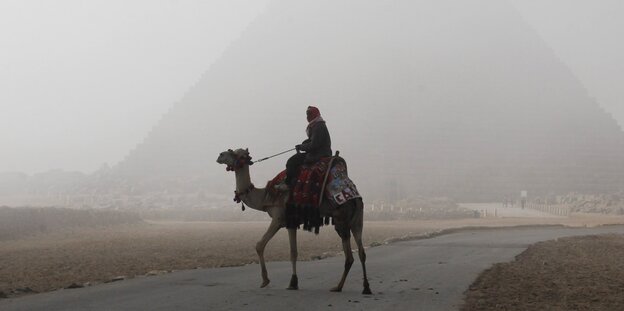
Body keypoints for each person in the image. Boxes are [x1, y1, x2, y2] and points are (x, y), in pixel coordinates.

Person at [276, 106, 332, 192]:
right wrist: (304, 144)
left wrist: (302, 147)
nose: (307, 117)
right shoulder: (316, 125)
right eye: (307, 114)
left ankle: (288, 184)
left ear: (315, 114)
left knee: (292, 161)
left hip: (318, 154)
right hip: (320, 152)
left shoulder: (318, 126)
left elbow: (314, 145)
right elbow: (313, 141)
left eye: (309, 114)